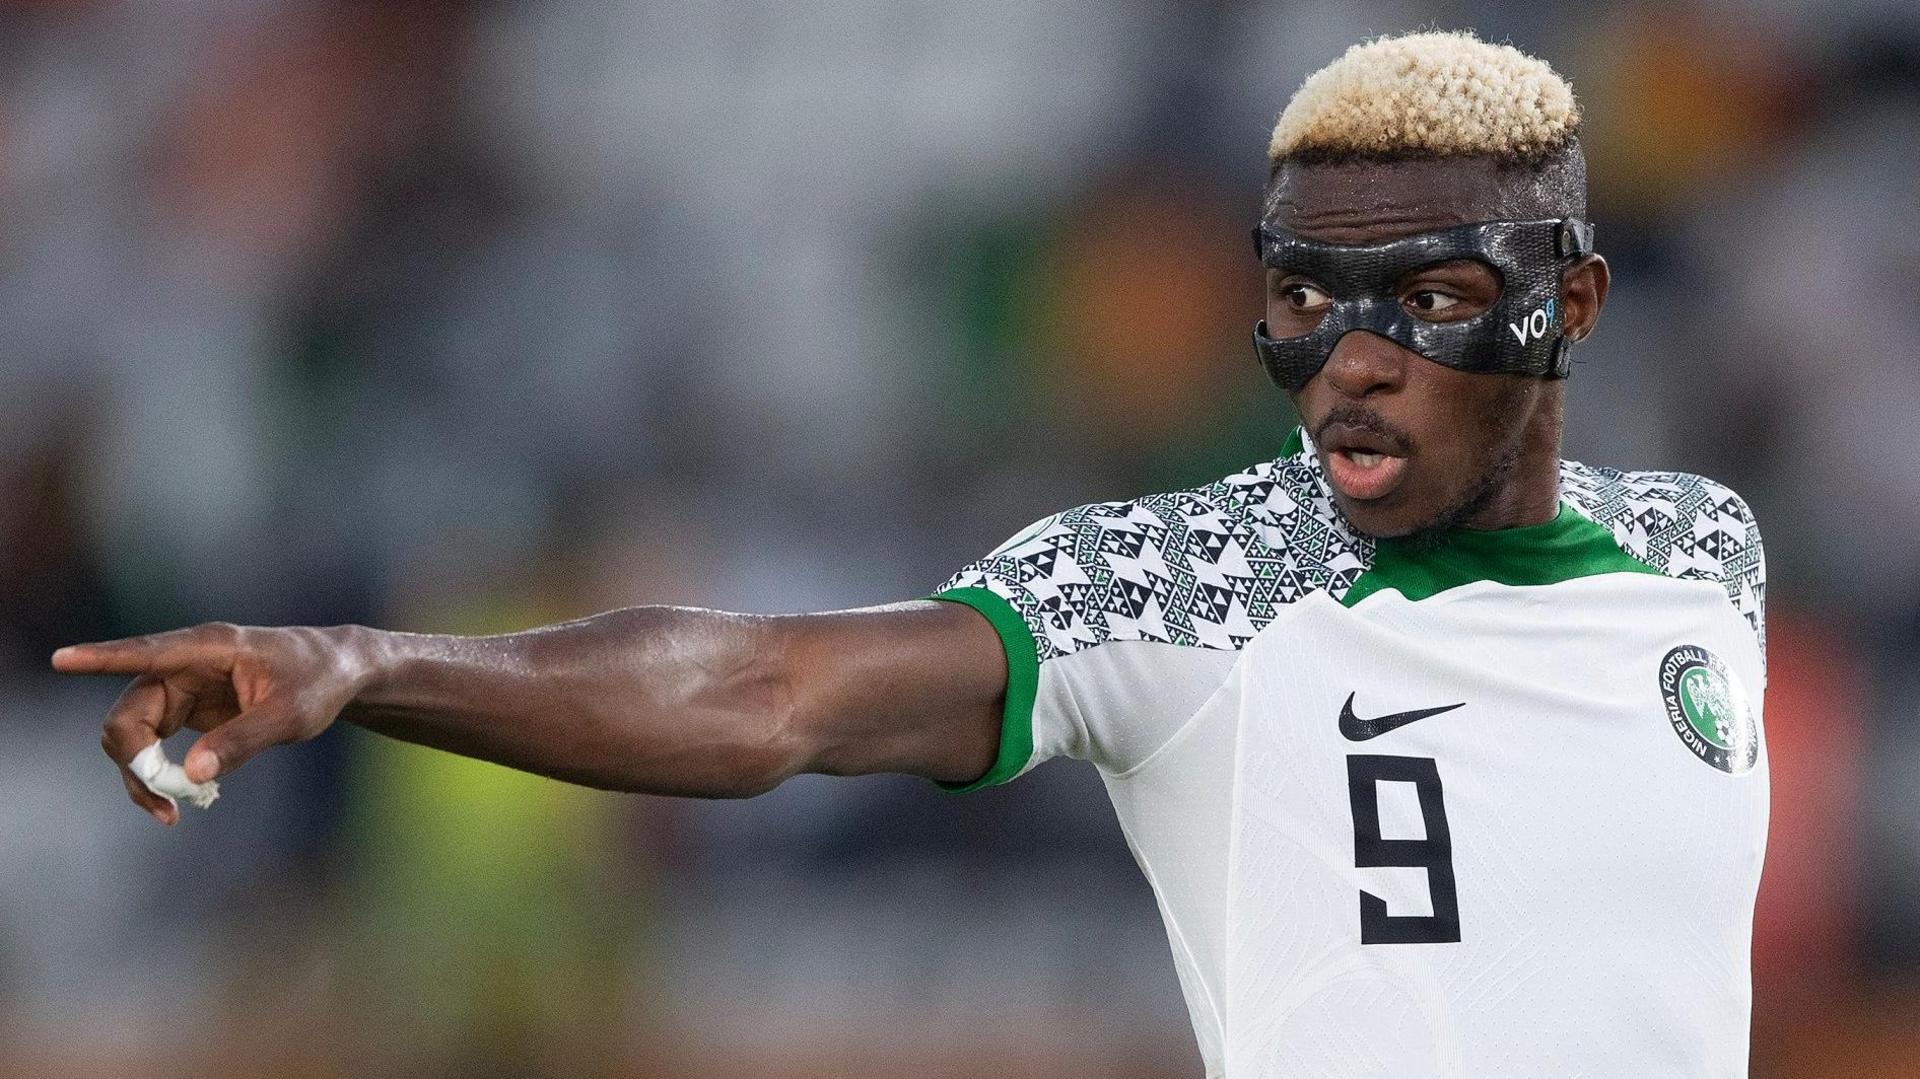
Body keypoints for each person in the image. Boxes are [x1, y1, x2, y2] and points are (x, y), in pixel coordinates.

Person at [54, 30, 1768, 1078]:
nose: (1356, 354)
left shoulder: (1708, 559)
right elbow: (773, 687)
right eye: (1307, 296)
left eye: (1435, 297)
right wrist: (369, 667)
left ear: (1574, 304)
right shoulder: (1197, 584)